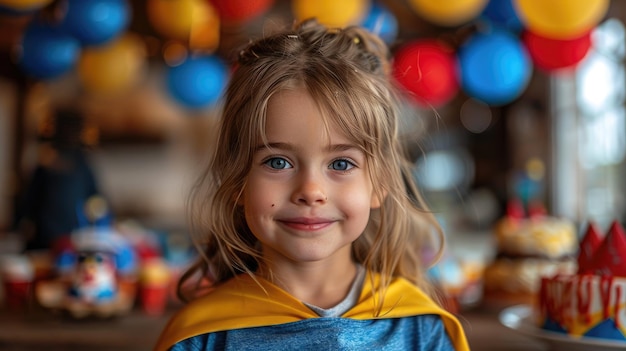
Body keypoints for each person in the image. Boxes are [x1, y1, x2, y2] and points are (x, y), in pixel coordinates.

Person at [155, 19, 469, 351]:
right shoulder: (199, 339)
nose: (310, 191)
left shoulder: (422, 330)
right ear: (238, 179)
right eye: (278, 162)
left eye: (341, 164)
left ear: (380, 183)